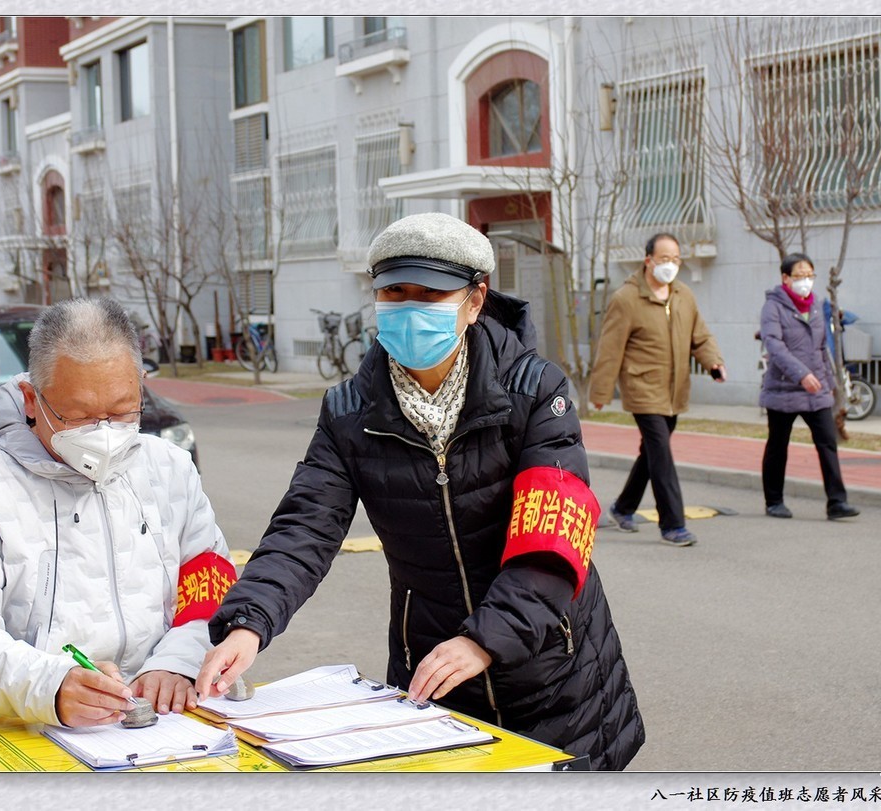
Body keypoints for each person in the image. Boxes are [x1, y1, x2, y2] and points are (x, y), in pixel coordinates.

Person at [195, 212, 644, 770]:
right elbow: (305, 527)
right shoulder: (349, 411)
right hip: (432, 668)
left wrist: (487, 639)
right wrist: (249, 621)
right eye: (394, 292)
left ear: (475, 301)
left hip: (553, 666)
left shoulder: (534, 390)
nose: (409, 308)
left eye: (431, 294)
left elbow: (552, 538)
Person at [0, 297, 235, 728]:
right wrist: (50, 686)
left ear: (141, 386)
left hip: (163, 722)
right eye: (79, 417)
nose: (103, 433)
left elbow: (209, 580)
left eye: (121, 411)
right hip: (26, 730)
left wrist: (178, 663)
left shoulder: (170, 468)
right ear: (32, 400)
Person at [588, 232, 726, 546]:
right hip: (642, 388)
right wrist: (600, 392)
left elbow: (700, 336)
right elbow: (610, 349)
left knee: (651, 452)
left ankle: (623, 508)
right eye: (664, 258)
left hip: (674, 390)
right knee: (661, 453)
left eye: (676, 259)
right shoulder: (626, 299)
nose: (671, 265)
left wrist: (713, 362)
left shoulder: (683, 295)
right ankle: (673, 524)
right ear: (648, 260)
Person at [759, 253, 860, 520]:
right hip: (784, 389)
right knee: (778, 444)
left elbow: (820, 348)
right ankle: (774, 501)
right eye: (799, 276)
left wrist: (829, 384)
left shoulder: (816, 305)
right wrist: (801, 374)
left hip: (816, 390)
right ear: (785, 278)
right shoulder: (773, 307)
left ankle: (837, 502)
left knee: (827, 442)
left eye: (809, 275)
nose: (805, 281)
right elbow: (774, 346)